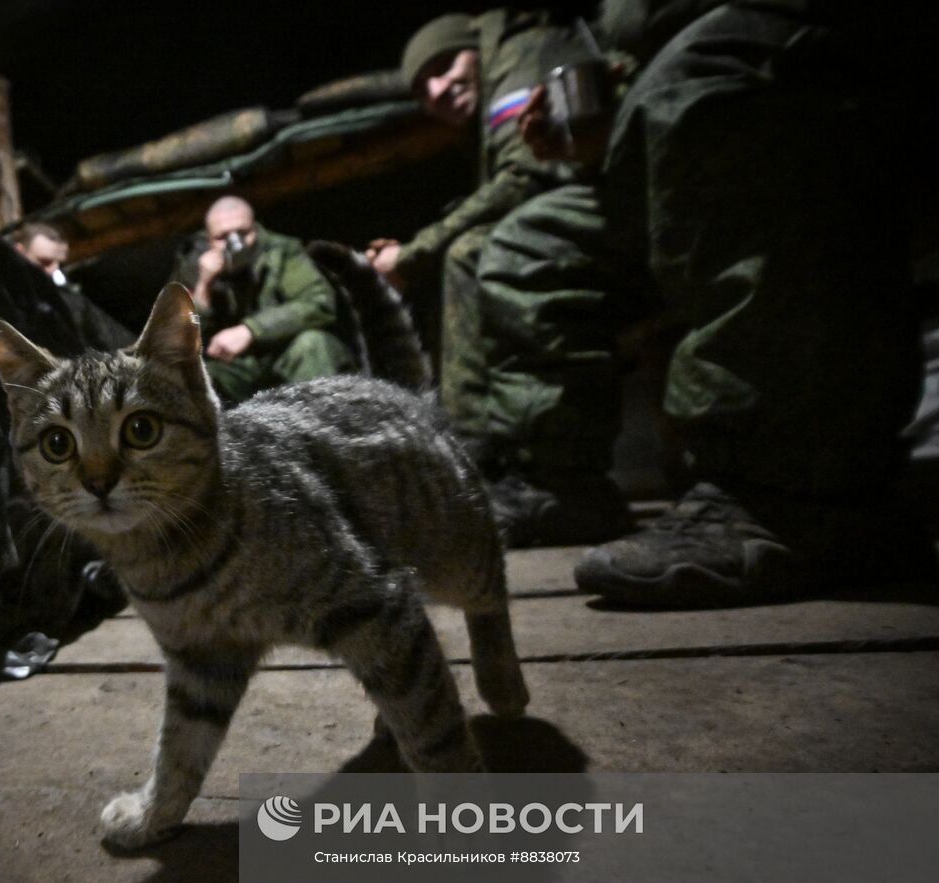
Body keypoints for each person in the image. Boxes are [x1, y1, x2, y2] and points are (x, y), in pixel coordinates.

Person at [472, 0, 930, 606]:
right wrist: (600, 135)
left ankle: (790, 493)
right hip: (660, 157)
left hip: (817, 85)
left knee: (704, 86)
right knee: (531, 245)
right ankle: (560, 484)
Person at [371, 9, 630, 546]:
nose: (439, 90)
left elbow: (525, 177)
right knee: (470, 247)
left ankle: (557, 479)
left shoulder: (520, 54)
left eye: (444, 66)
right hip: (607, 207)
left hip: (624, 207)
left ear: (475, 47)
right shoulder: (490, 100)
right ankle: (479, 461)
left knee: (490, 249)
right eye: (424, 89)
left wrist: (413, 254)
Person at [174, 196, 353, 405]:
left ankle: (330, 427)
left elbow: (319, 303)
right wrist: (204, 285)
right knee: (190, 378)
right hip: (238, 367)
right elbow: (181, 341)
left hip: (285, 351)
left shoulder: (282, 251)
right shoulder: (192, 266)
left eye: (243, 233)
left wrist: (251, 330)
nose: (235, 243)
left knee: (312, 344)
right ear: (209, 239)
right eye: (223, 237)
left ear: (256, 229)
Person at [12, 221, 133, 350]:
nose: (53, 270)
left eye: (59, 264)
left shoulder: (71, 301)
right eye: (45, 262)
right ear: (19, 251)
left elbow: (112, 338)